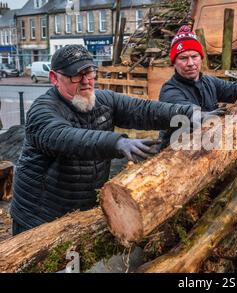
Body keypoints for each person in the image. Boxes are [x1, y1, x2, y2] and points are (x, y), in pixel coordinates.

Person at [10, 45, 218, 235]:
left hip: (79, 209)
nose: (85, 82)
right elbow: (68, 138)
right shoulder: (43, 111)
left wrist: (191, 114)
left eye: (89, 73)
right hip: (38, 215)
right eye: (75, 76)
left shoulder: (103, 100)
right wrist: (118, 143)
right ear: (55, 78)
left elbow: (145, 110)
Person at [158, 25, 237, 149]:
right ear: (174, 62)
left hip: (206, 146)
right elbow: (189, 113)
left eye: (194, 56)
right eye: (183, 58)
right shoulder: (170, 91)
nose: (190, 63)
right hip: (175, 152)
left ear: (201, 58)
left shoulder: (209, 82)